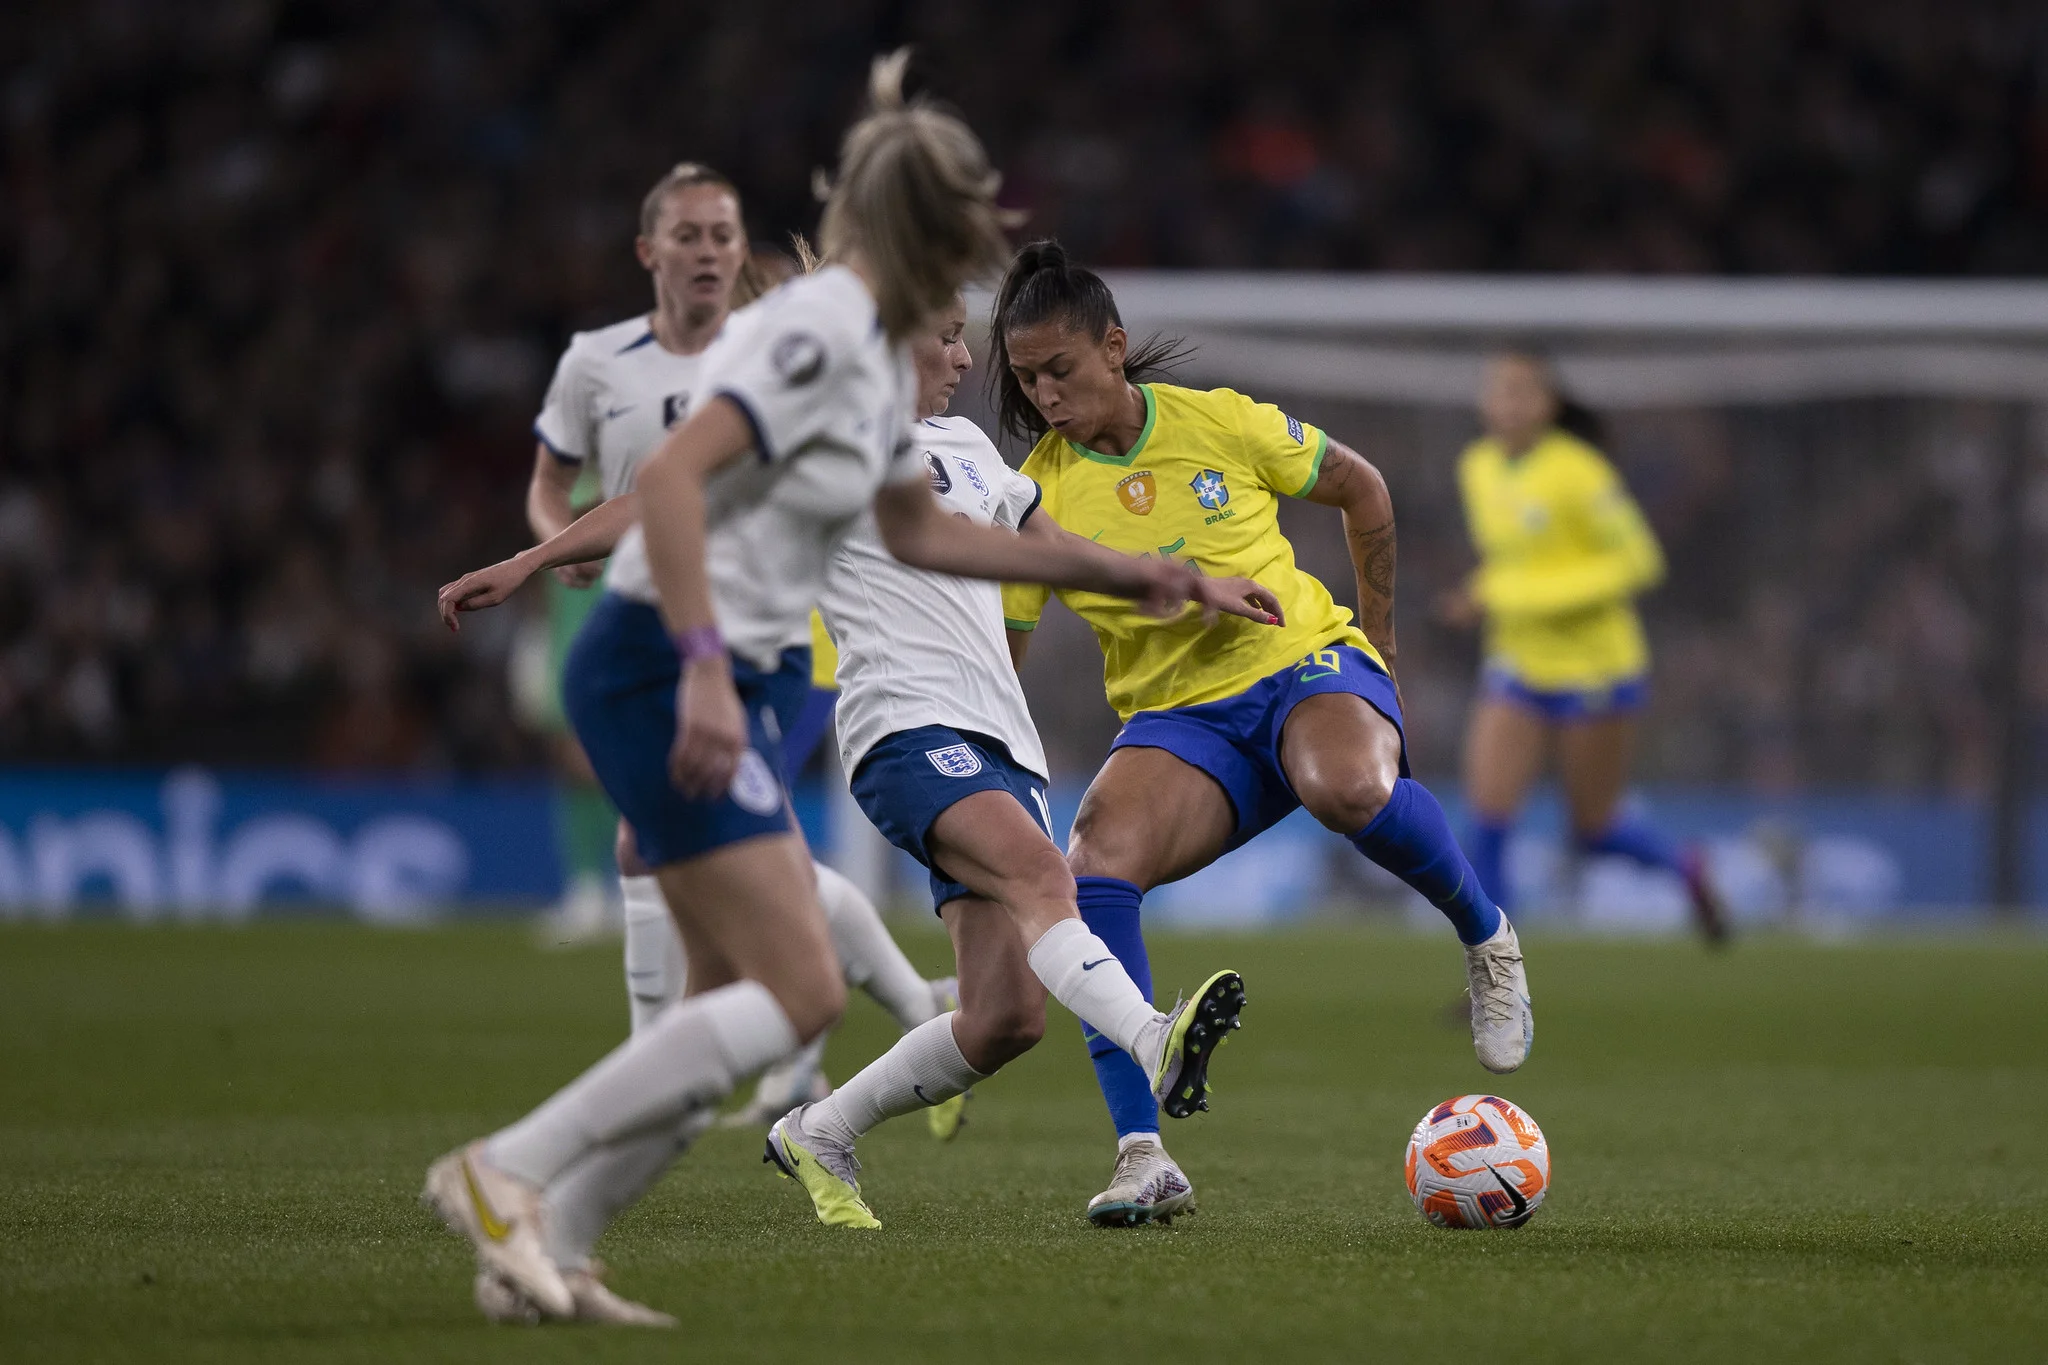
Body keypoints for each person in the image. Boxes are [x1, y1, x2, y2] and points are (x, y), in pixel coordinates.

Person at [422, 54, 1246, 1326]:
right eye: (964, 214)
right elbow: (673, 486)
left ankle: (554, 1247)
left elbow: (928, 536)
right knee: (810, 987)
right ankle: (505, 1172)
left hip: (716, 678)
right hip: (663, 668)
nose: (981, 246)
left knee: (753, 1010)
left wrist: (1141, 573)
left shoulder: (870, 378)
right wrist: (679, 659)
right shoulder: (809, 338)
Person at [992, 240, 1533, 1226]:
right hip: (1178, 722)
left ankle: (1485, 937)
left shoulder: (1221, 422)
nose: (1042, 396)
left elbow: (1361, 489)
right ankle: (1141, 1155)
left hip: (1301, 667)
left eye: (1057, 371)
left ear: (1112, 349)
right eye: (1025, 379)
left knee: (1345, 788)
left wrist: (1376, 638)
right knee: (1091, 865)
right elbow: (1007, 648)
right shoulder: (1034, 491)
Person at [763, 289, 1272, 1230]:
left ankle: (818, 1130)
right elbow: (665, 491)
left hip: (1001, 739)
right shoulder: (821, 440)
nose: (966, 361)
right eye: (949, 337)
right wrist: (542, 556)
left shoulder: (969, 451)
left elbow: (1063, 551)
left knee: (1005, 1017)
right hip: (903, 730)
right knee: (1051, 875)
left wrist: (1192, 581)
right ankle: (1154, 1040)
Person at [1439, 352, 1728, 942]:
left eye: (1522, 392)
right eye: (1498, 392)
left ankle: (1686, 867)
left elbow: (1640, 562)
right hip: (1517, 662)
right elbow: (1511, 562)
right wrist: (1479, 592)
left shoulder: (1581, 472)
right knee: (1487, 819)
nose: (1508, 404)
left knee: (1593, 828)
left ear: (1548, 406)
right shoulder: (1477, 467)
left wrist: (1519, 594)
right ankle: (1498, 975)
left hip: (1595, 668)